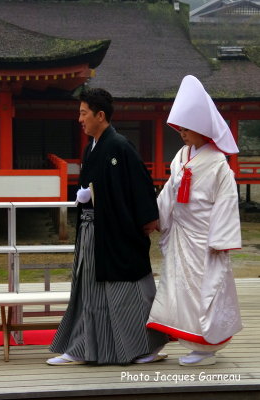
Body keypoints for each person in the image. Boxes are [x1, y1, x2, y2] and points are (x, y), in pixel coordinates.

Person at [47, 88, 168, 366]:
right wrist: (85, 197)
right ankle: (81, 348)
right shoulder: (91, 148)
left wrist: (146, 219)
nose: (80, 119)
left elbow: (140, 187)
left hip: (118, 232)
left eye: (83, 113)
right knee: (87, 290)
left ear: (100, 115)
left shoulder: (121, 146)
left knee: (132, 292)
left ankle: (145, 347)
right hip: (94, 230)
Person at [146, 75, 243, 366]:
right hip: (182, 235)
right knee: (179, 290)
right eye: (180, 128)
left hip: (206, 238)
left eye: (186, 128)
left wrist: (221, 239)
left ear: (201, 128)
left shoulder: (218, 164)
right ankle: (191, 342)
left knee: (205, 291)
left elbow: (226, 202)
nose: (182, 133)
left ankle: (206, 347)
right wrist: (155, 217)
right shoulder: (180, 156)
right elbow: (168, 193)